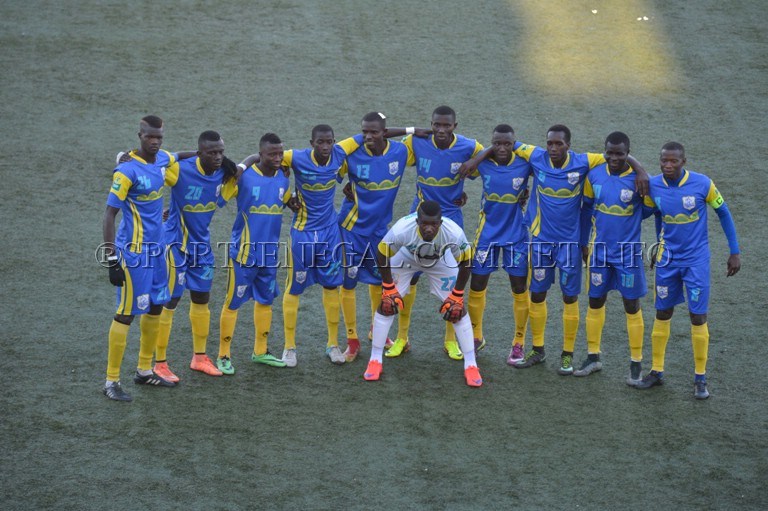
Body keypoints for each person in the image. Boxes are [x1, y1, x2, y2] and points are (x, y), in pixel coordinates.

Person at [463, 125, 648, 374]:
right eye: (550, 143)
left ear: (568, 145)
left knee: (569, 297)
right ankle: (537, 349)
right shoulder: (536, 155)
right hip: (541, 241)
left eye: (559, 144)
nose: (553, 148)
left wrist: (640, 170)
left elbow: (613, 155)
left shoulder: (584, 161)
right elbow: (501, 144)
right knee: (537, 294)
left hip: (570, 245)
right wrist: (478, 158)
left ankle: (567, 354)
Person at [238, 127, 360, 367]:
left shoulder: (340, 151)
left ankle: (333, 344)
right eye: (320, 142)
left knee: (332, 286)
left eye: (328, 142)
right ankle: (289, 347)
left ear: (334, 142)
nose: (325, 147)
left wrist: (412, 130)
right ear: (311, 143)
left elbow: (370, 135)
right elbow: (262, 157)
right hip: (302, 234)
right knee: (293, 289)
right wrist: (242, 166)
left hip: (330, 233)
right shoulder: (296, 157)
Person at [635, 141, 740, 399]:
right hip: (668, 260)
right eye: (664, 161)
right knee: (662, 312)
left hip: (696, 262)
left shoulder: (703, 184)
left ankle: (700, 378)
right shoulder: (655, 185)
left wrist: (734, 251)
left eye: (674, 161)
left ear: (684, 162)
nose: (668, 165)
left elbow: (723, 213)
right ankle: (657, 371)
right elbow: (650, 213)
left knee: (697, 317)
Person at [388, 106, 483, 361]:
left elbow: (493, 151)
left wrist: (475, 160)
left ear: (455, 126)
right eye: (436, 125)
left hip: (451, 221)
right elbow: (380, 135)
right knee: (410, 280)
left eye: (446, 126)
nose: (441, 130)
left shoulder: (468, 146)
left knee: (452, 282)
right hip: (418, 221)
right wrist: (409, 129)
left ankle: (450, 341)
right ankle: (401, 338)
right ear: (431, 124)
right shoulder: (417, 142)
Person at [145, 131, 239, 382]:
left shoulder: (224, 174)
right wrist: (124, 158)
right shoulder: (181, 170)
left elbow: (242, 172)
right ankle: (160, 363)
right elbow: (153, 164)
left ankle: (199, 357)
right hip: (175, 246)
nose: (218, 157)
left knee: (202, 299)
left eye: (221, 151)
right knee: (170, 302)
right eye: (212, 152)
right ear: (199, 152)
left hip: (202, 248)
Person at [364, 201, 481, 387]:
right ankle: (375, 359)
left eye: (433, 224)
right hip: (407, 258)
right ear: (417, 221)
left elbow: (466, 261)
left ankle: (471, 364)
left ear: (440, 223)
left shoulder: (453, 233)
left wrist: (457, 294)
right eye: (424, 223)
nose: (429, 228)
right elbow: (381, 253)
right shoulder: (402, 228)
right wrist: (388, 286)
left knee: (457, 308)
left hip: (441, 261)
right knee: (387, 303)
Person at [102, 115, 177, 401]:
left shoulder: (160, 160)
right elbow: (110, 214)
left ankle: (144, 371)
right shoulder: (126, 172)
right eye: (150, 137)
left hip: (158, 251)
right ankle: (111, 381)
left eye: (159, 137)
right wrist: (111, 259)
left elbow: (178, 156)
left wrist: (205, 153)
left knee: (157, 305)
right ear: (140, 136)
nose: (155, 141)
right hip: (134, 254)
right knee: (126, 313)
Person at [575, 132, 653, 384]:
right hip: (599, 253)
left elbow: (650, 209)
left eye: (620, 153)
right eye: (610, 152)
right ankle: (593, 356)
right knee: (595, 301)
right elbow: (586, 209)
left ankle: (636, 362)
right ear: (605, 151)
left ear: (628, 153)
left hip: (628, 255)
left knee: (631, 305)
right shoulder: (594, 175)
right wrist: (583, 243)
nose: (614, 157)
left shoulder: (639, 180)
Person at [337, 112, 413, 362]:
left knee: (381, 281)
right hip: (352, 229)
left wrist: (412, 129)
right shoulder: (352, 154)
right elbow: (329, 171)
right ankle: (352, 339)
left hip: (381, 230)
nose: (368, 136)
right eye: (364, 132)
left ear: (385, 131)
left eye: (374, 132)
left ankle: (375, 328)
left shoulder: (400, 153)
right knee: (348, 282)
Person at [217, 133, 291, 374]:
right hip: (243, 255)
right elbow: (221, 197)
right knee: (233, 303)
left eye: (280, 153)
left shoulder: (282, 178)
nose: (277, 158)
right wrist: (241, 165)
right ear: (261, 155)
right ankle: (223, 355)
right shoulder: (245, 177)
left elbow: (286, 200)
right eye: (272, 154)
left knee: (266, 301)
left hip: (269, 255)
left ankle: (260, 351)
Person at [465, 125, 532, 365]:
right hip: (487, 235)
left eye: (507, 143)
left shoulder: (525, 163)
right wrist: (484, 153)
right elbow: (465, 169)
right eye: (497, 143)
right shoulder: (483, 163)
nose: (502, 148)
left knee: (518, 287)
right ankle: (475, 336)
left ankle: (519, 342)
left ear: (515, 143)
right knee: (478, 283)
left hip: (517, 236)